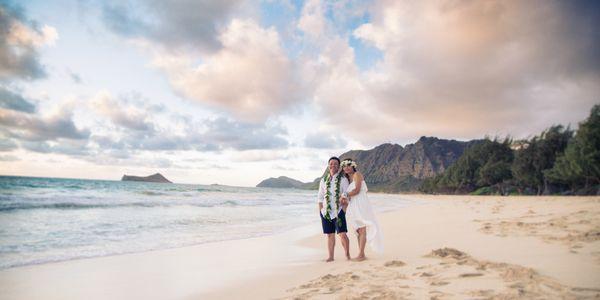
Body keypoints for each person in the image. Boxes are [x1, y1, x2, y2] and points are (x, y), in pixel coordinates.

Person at [340, 158, 383, 261]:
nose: (346, 168)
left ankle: (361, 254)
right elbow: (351, 194)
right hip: (354, 204)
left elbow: (357, 190)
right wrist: (344, 200)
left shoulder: (357, 175)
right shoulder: (349, 179)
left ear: (353, 166)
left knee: (362, 228)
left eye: (348, 165)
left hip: (361, 203)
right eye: (344, 166)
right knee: (358, 229)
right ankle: (361, 253)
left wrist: (344, 195)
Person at [317, 156, 350, 262]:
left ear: (339, 166)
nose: (333, 165)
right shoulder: (323, 180)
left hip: (338, 211)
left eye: (335, 163)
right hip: (326, 212)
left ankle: (347, 255)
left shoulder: (343, 179)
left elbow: (347, 194)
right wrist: (320, 210)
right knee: (330, 235)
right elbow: (320, 196)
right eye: (331, 163)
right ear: (328, 165)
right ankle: (331, 257)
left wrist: (343, 210)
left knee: (342, 234)